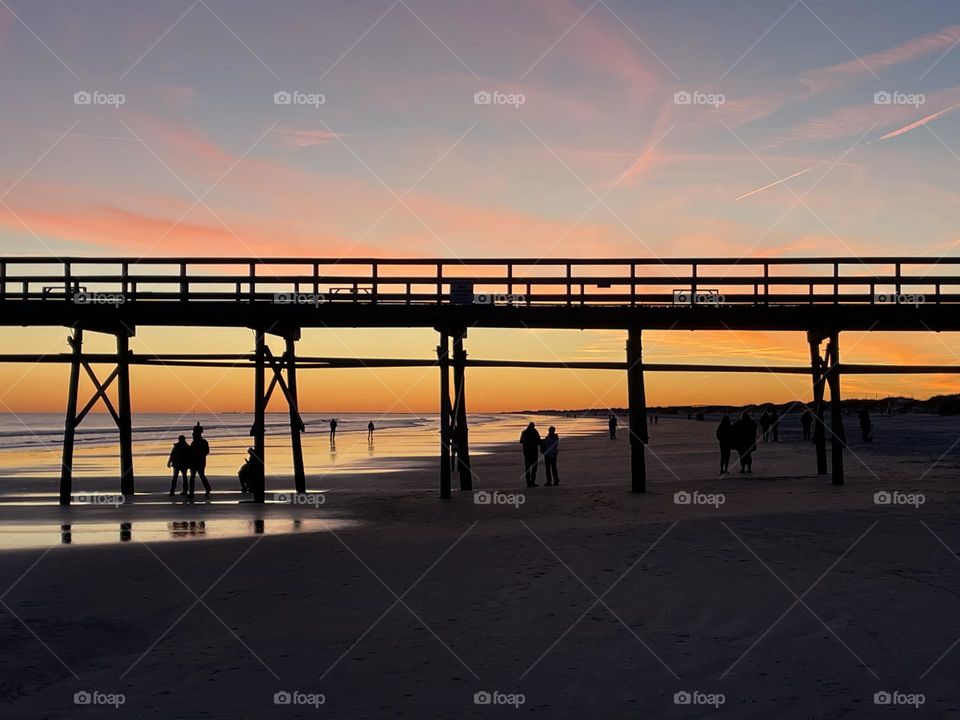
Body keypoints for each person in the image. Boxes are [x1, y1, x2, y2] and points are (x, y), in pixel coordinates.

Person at [189, 422, 212, 497]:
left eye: (194, 434)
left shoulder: (197, 442)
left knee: (195, 476)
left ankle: (192, 492)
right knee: (199, 475)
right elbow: (206, 451)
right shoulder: (201, 442)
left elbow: (206, 451)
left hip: (197, 461)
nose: (193, 436)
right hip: (200, 461)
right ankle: (206, 489)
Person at [520, 422, 541, 487]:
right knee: (534, 467)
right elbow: (539, 441)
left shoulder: (524, 432)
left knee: (528, 468)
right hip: (533, 452)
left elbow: (521, 441)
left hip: (526, 452)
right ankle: (532, 482)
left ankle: (529, 482)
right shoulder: (535, 432)